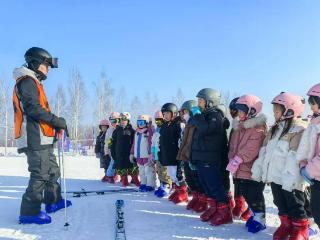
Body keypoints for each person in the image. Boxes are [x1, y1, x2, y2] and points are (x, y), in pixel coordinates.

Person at [13, 47, 71, 224]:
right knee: (40, 175)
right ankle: (29, 212)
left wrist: (54, 127)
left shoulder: (34, 82)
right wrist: (56, 121)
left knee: (52, 171)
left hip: (43, 137)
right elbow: (33, 109)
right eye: (46, 65)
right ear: (36, 63)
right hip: (34, 138)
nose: (48, 69)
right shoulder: (27, 81)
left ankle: (53, 201)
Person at [252, 92, 309, 239]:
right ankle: (286, 225)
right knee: (280, 202)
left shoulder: (299, 130)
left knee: (295, 204)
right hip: (275, 176)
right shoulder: (274, 130)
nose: (274, 113)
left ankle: (301, 228)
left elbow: (295, 157)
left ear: (289, 111)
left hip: (291, 179)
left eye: (277, 110)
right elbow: (264, 152)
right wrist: (259, 170)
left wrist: (291, 179)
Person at [190, 88, 232, 226]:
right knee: (206, 185)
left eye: (201, 100)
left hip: (210, 158)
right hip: (202, 157)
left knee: (214, 185)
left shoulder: (215, 115)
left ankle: (225, 212)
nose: (198, 103)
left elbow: (205, 129)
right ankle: (214, 208)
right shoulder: (204, 115)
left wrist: (196, 115)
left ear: (210, 102)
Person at [227, 95, 267, 233]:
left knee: (254, 193)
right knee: (245, 192)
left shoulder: (258, 128)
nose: (239, 113)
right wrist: (231, 157)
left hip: (252, 168)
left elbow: (252, 148)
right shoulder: (240, 127)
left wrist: (238, 159)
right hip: (240, 167)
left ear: (251, 110)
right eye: (238, 110)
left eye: (242, 110)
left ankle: (260, 218)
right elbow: (232, 145)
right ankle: (255, 214)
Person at [297, 83, 320, 231]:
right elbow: (308, 149)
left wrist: (308, 170)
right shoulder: (315, 122)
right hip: (316, 177)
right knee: (316, 211)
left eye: (313, 103)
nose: (311, 107)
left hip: (316, 173)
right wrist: (303, 164)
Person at [177, 100, 206, 209]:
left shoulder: (197, 124)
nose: (183, 115)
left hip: (194, 157)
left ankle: (202, 201)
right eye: (182, 112)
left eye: (185, 112)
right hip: (187, 156)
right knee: (189, 179)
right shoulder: (187, 124)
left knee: (197, 179)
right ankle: (196, 198)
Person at [159, 103, 184, 202]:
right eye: (164, 114)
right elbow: (161, 141)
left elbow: (181, 140)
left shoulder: (178, 124)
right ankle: (177, 191)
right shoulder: (164, 126)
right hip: (167, 155)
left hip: (175, 155)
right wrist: (160, 154)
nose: (165, 116)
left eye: (167, 113)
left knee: (177, 175)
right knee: (171, 175)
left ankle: (183, 193)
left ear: (173, 113)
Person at [111, 112, 140, 187]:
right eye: (121, 119)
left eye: (125, 119)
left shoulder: (132, 131)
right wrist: (113, 153)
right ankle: (124, 179)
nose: (123, 121)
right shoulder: (116, 131)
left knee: (132, 166)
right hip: (119, 154)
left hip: (129, 153)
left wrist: (133, 153)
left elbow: (134, 142)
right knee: (121, 167)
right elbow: (113, 143)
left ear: (128, 120)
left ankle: (135, 179)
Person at [130, 115, 155, 192]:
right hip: (138, 155)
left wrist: (151, 153)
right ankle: (143, 183)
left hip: (146, 155)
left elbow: (151, 142)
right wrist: (132, 153)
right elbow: (134, 143)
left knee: (148, 170)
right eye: (139, 122)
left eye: (142, 122)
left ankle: (150, 184)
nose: (140, 124)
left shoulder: (149, 131)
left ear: (146, 122)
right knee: (141, 171)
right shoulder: (137, 132)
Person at [151, 111, 172, 197]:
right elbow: (153, 142)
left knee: (164, 170)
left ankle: (167, 185)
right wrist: (153, 153)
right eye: (156, 121)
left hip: (163, 154)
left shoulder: (165, 128)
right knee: (159, 170)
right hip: (157, 155)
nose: (158, 123)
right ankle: (161, 184)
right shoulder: (156, 130)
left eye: (160, 120)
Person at [104, 112, 121, 183]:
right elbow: (107, 142)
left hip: (121, 150)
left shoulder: (121, 129)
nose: (112, 123)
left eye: (114, 121)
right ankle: (109, 176)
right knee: (112, 163)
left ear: (118, 120)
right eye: (111, 121)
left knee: (121, 164)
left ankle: (120, 175)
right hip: (113, 151)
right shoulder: (109, 130)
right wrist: (106, 152)